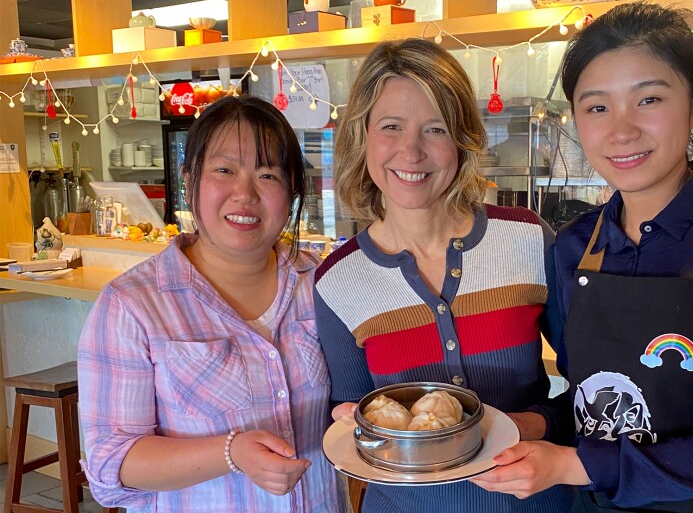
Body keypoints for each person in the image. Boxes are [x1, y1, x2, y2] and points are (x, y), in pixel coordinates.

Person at [472, 2, 693, 512]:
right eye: (597, 106)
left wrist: (565, 466)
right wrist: (524, 426)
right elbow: (591, 407)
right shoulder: (573, 247)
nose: (621, 130)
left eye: (648, 99)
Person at [314, 38, 575, 512]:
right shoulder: (338, 281)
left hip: (531, 503)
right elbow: (351, 422)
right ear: (363, 136)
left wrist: (530, 425)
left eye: (434, 129)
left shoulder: (526, 241)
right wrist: (350, 420)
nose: (410, 151)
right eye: (391, 126)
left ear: (461, 141)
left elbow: (590, 388)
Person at [78, 96, 343, 512]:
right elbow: (111, 463)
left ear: (292, 190)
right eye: (224, 170)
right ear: (189, 180)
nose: (245, 194)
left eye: (268, 174)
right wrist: (230, 453)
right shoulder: (133, 305)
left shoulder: (324, 284)